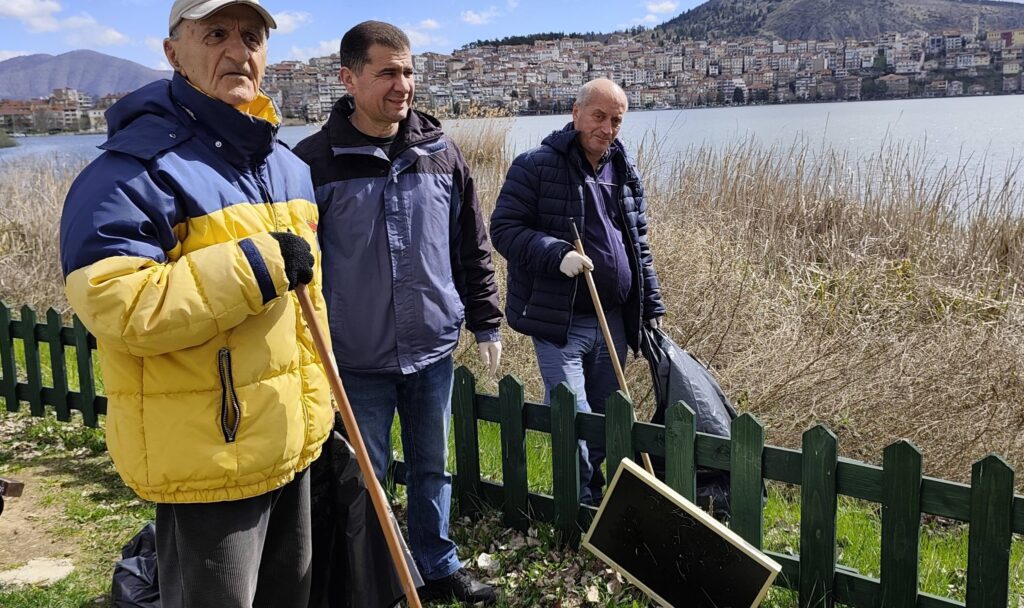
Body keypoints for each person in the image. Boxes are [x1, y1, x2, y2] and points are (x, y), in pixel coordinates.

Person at [58, 1, 335, 606]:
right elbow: (118, 304)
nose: (238, 51)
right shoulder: (131, 174)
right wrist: (256, 264)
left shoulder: (287, 167)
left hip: (293, 441)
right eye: (215, 34)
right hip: (212, 457)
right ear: (172, 52)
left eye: (252, 36)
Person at [293, 21, 502, 606]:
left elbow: (471, 243)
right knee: (365, 480)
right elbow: (300, 271)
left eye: (408, 71)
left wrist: (486, 319)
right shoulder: (312, 163)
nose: (402, 84)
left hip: (433, 348)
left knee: (434, 469)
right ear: (349, 77)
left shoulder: (440, 152)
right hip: (356, 359)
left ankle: (437, 567)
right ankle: (380, 579)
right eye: (387, 71)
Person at [490, 78, 666, 506]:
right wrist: (556, 254)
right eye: (599, 116)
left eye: (616, 121)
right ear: (576, 112)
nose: (606, 128)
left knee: (609, 417)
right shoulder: (535, 165)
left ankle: (605, 502)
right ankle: (577, 505)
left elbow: (637, 242)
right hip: (560, 323)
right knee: (573, 417)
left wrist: (651, 306)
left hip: (614, 321)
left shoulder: (623, 169)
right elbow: (504, 229)